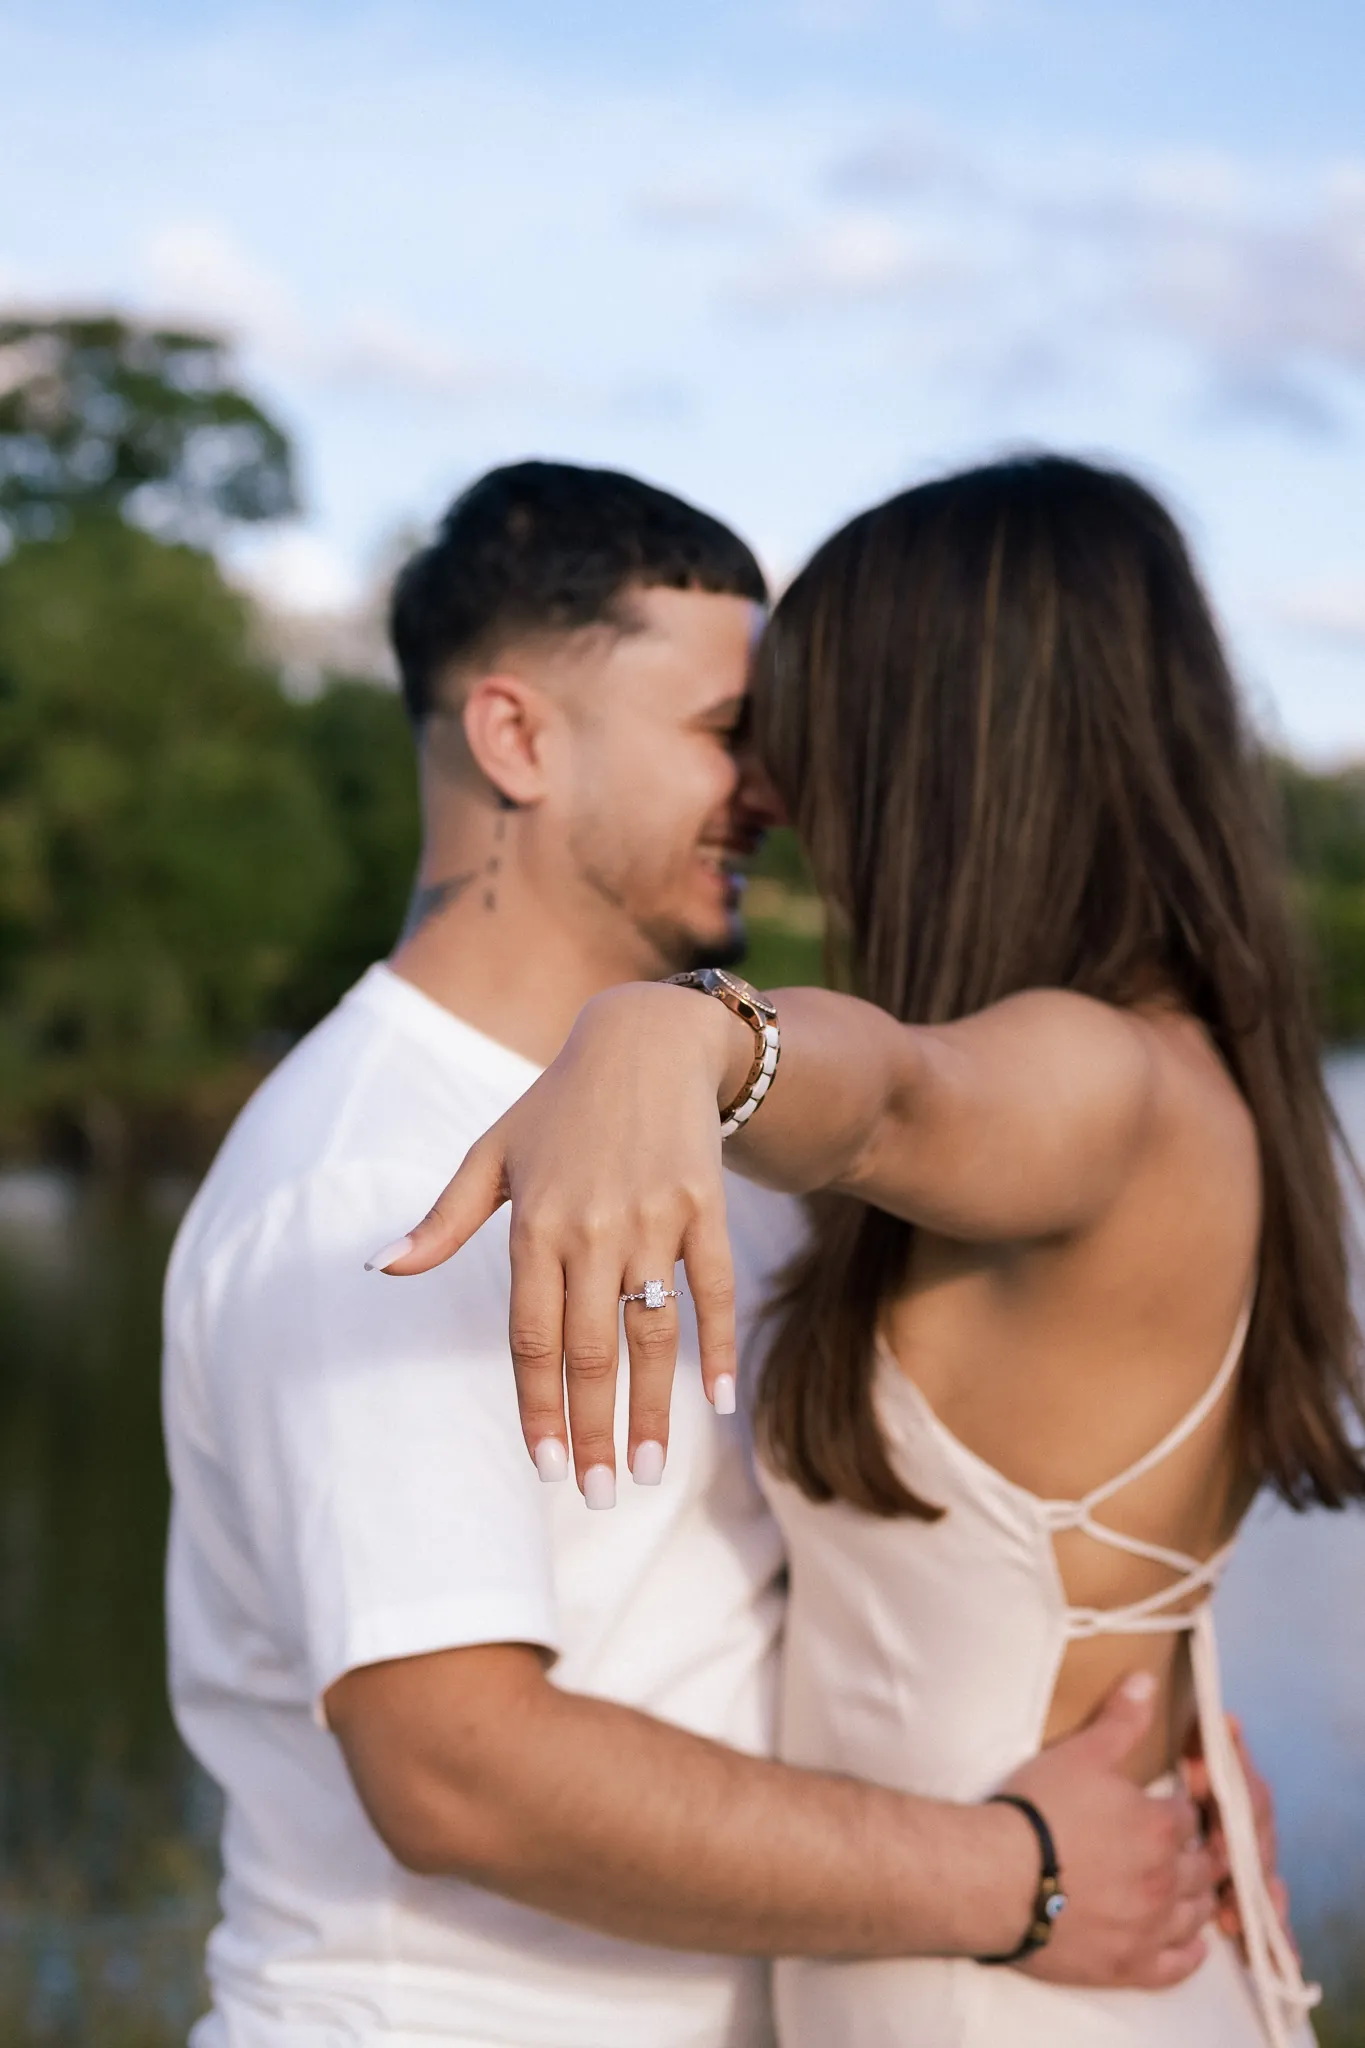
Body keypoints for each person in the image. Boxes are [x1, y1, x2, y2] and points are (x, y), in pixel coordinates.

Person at [162, 460, 1228, 2048]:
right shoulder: (379, 1175)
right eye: (728, 735)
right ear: (517, 738)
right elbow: (456, 1766)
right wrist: (1022, 1877)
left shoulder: (702, 1135)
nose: (779, 792)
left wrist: (1157, 1784)